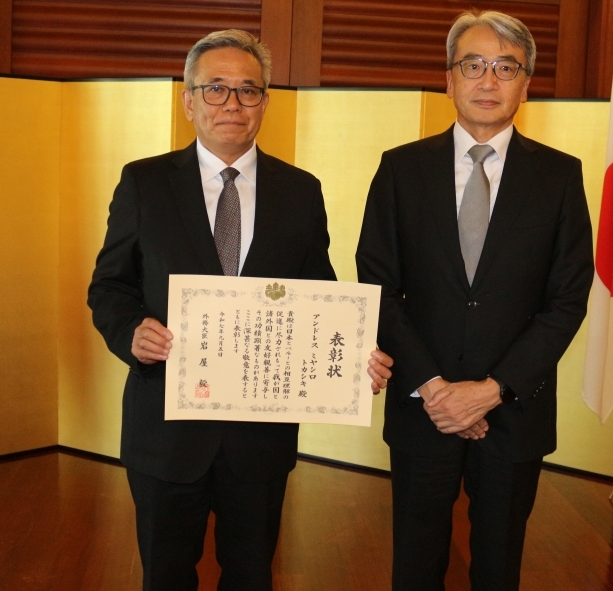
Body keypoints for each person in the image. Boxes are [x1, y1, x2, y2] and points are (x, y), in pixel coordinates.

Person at [87, 29, 393, 591]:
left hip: (261, 434)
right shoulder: (145, 182)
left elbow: (318, 297)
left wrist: (353, 359)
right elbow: (108, 287)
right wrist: (131, 331)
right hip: (166, 427)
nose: (233, 104)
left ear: (266, 102)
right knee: (166, 573)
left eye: (249, 91)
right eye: (216, 89)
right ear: (188, 100)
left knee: (252, 573)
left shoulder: (300, 191)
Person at [356, 11, 594, 591]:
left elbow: (566, 301)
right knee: (415, 563)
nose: (489, 81)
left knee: (498, 566)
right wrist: (435, 388)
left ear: (525, 85)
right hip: (423, 408)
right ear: (449, 79)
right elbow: (376, 286)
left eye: (506, 67)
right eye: (473, 65)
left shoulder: (560, 177)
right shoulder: (399, 169)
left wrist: (492, 390)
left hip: (512, 411)